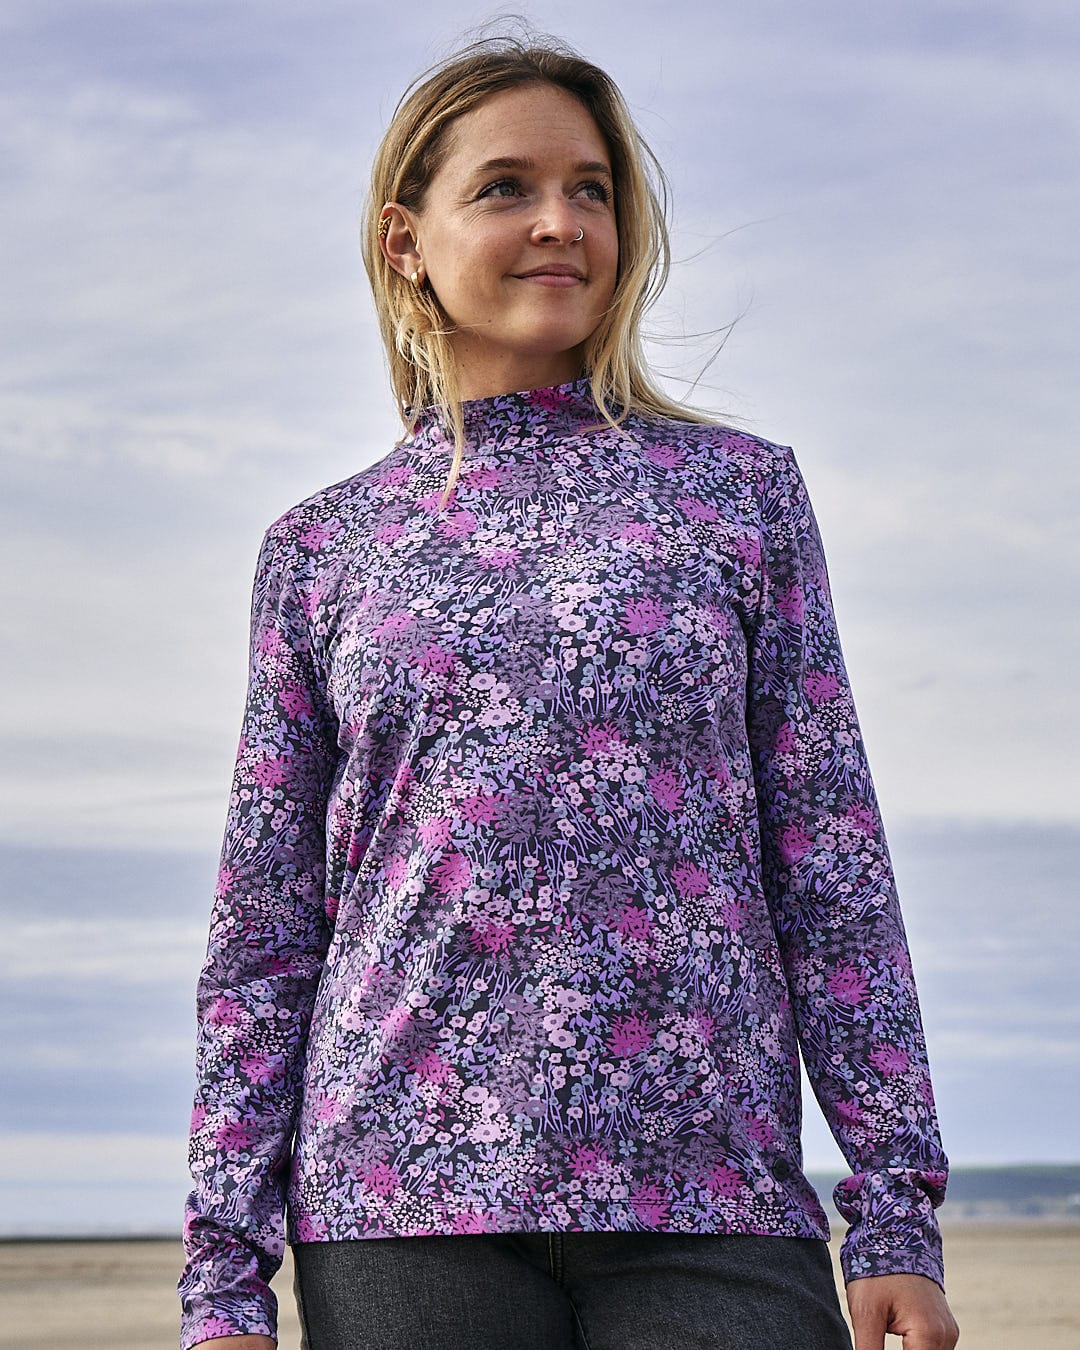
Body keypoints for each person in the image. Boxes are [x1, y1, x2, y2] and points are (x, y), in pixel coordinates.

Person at [178, 29, 960, 1350]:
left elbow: (829, 859)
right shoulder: (319, 550)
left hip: (710, 1189)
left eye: (591, 188)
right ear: (404, 239)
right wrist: (222, 1285)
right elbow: (263, 940)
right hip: (400, 1198)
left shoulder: (739, 496)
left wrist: (892, 1206)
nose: (560, 222)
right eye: (506, 188)